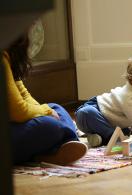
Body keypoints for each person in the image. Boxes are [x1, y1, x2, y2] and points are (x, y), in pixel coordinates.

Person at [4, 32, 88, 166]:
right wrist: (45, 113)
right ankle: (58, 147)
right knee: (51, 125)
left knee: (56, 107)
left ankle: (59, 148)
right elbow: (17, 111)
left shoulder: (8, 56)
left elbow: (24, 95)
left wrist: (45, 111)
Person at [75, 52, 132, 147]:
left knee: (124, 131)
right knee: (86, 113)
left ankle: (98, 137)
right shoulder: (130, 96)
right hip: (92, 113)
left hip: (109, 123)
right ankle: (113, 137)